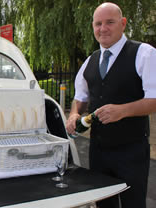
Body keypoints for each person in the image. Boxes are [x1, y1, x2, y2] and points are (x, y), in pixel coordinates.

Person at [66, 2, 156, 208]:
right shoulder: (90, 61)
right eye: (98, 24)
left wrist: (123, 110)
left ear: (123, 24)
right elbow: (80, 97)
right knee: (104, 204)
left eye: (110, 22)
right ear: (93, 27)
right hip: (97, 150)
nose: (103, 28)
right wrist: (73, 114)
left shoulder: (144, 53)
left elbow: (154, 100)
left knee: (133, 204)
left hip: (131, 150)